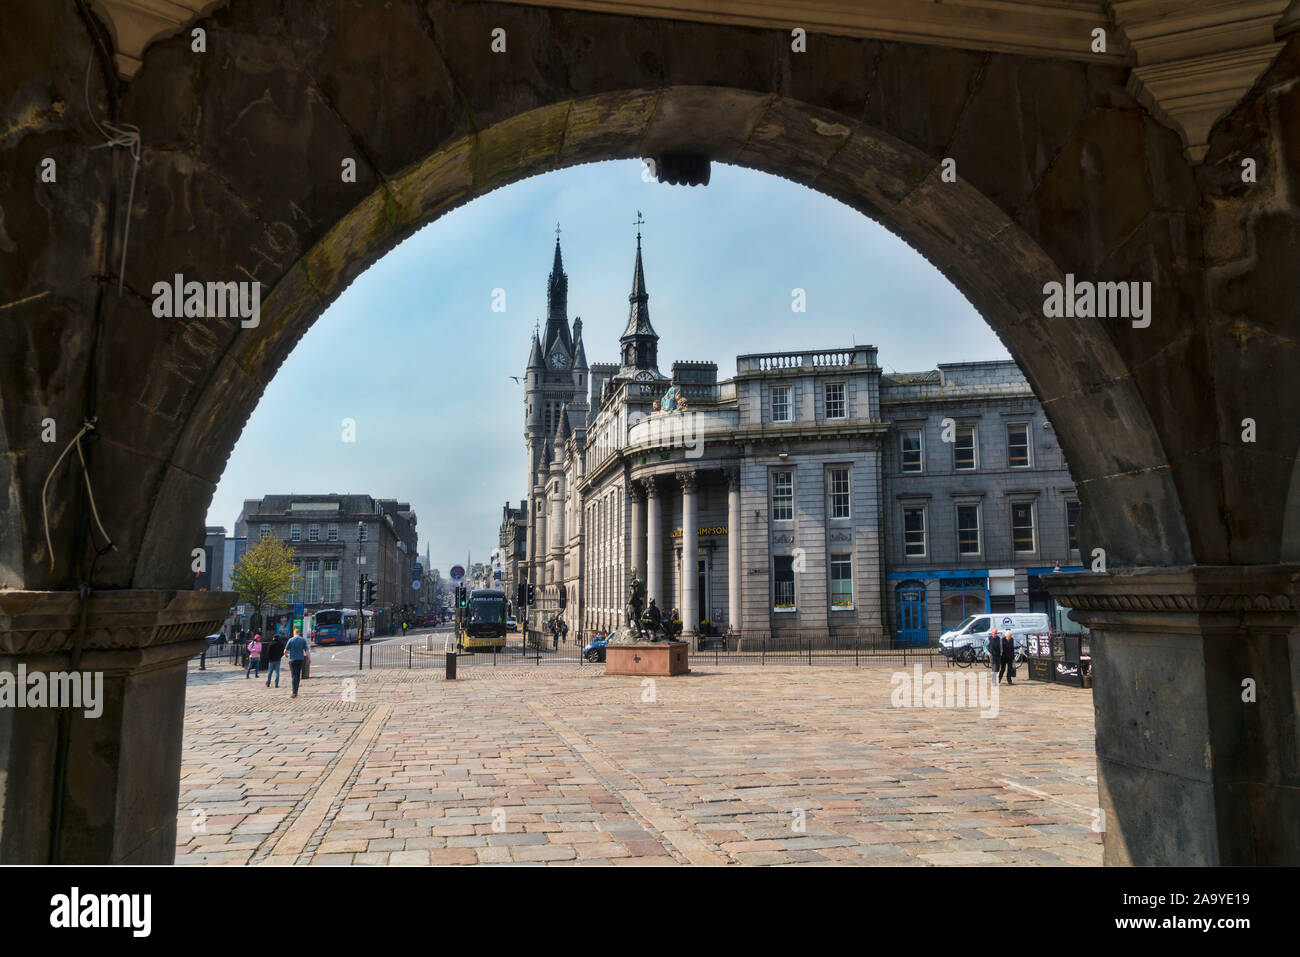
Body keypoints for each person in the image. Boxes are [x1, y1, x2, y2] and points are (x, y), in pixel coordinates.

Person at [284, 627, 309, 698]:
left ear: (294, 633)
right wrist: (309, 659)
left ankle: (294, 692)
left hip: (292, 660)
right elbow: (306, 651)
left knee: (294, 676)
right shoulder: (303, 640)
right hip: (300, 660)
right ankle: (296, 691)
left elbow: (285, 650)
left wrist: (286, 655)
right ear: (299, 633)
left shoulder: (290, 640)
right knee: (298, 676)